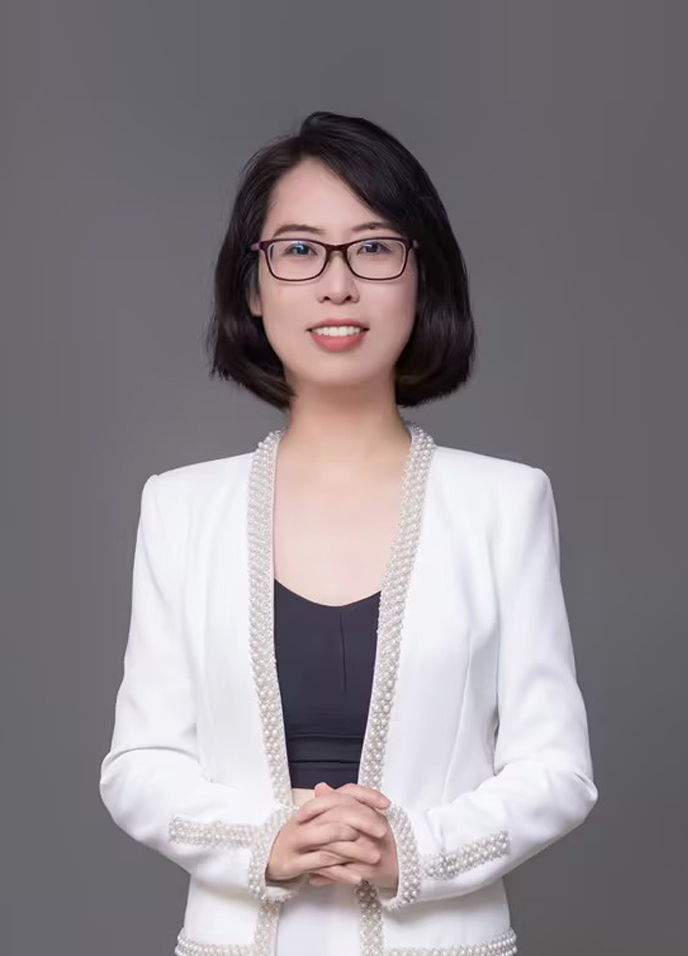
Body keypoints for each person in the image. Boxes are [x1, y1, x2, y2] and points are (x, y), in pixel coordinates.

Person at [99, 111, 598, 956]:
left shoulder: (505, 504)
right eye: (299, 250)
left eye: (373, 248)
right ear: (252, 287)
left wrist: (415, 850)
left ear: (420, 277)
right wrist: (262, 842)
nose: (337, 285)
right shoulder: (181, 509)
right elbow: (138, 764)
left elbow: (558, 769)